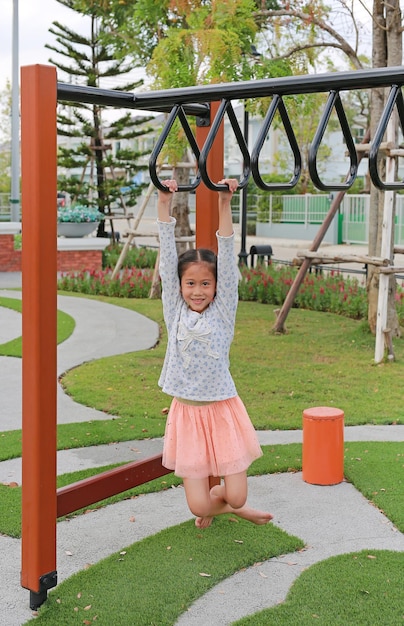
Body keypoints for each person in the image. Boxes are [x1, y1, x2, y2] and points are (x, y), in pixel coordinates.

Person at [157, 178, 273, 529]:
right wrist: (164, 204)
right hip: (188, 417)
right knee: (198, 507)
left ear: (217, 287)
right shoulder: (174, 310)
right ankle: (232, 510)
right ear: (179, 287)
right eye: (190, 283)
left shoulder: (222, 312)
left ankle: (235, 505)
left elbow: (226, 254)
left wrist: (225, 204)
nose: (197, 290)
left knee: (235, 494)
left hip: (222, 411)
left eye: (205, 283)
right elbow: (165, 261)